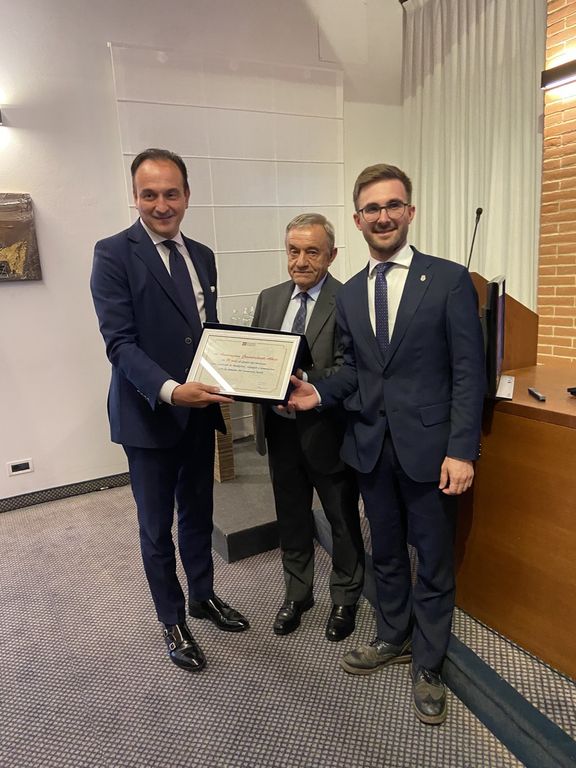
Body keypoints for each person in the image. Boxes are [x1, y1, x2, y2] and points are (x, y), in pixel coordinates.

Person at [287, 165, 485, 724]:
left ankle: (428, 663)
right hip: (371, 448)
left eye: (393, 205)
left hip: (432, 451)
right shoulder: (350, 294)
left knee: (434, 560)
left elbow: (468, 373)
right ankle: (393, 635)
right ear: (357, 220)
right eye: (371, 208)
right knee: (388, 553)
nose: (383, 216)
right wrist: (316, 393)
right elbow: (354, 370)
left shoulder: (448, 280)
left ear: (410, 212)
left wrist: (462, 450)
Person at [90, 148, 249, 673]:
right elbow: (119, 344)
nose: (162, 205)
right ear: (135, 197)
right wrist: (170, 390)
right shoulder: (113, 254)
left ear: (187, 195)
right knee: (156, 528)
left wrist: (240, 370)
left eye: (171, 193)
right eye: (150, 194)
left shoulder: (202, 254)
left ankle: (202, 596)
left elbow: (206, 333)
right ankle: (172, 619)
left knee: (198, 513)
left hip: (199, 414)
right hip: (148, 415)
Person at [252, 214, 364, 642]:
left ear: (331, 255)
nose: (300, 261)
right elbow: (258, 356)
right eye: (294, 251)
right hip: (280, 430)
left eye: (312, 252)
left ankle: (345, 597)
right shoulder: (269, 298)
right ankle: (297, 594)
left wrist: (307, 380)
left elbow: (353, 368)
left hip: (327, 431)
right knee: (291, 517)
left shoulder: (348, 299)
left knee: (341, 519)